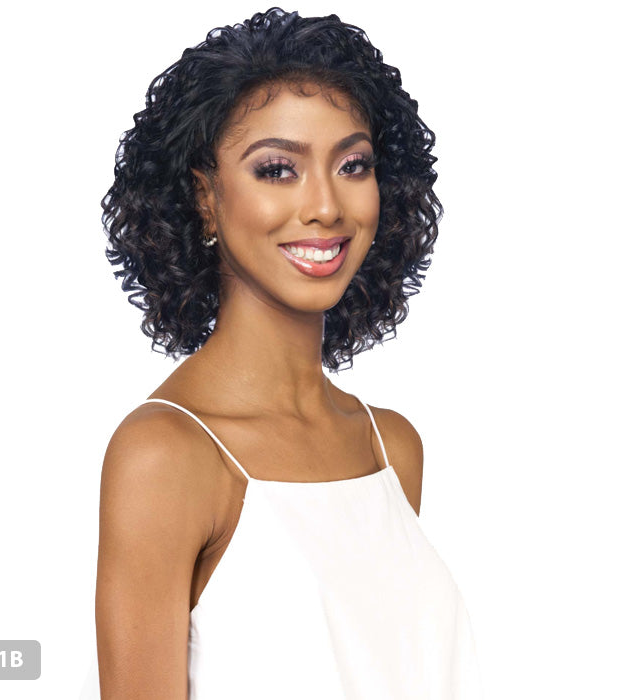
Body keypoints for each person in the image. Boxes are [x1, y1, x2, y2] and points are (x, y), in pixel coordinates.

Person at [90, 7, 482, 699]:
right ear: (204, 198)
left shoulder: (390, 447)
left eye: (353, 165)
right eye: (278, 169)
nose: (326, 206)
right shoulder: (167, 455)